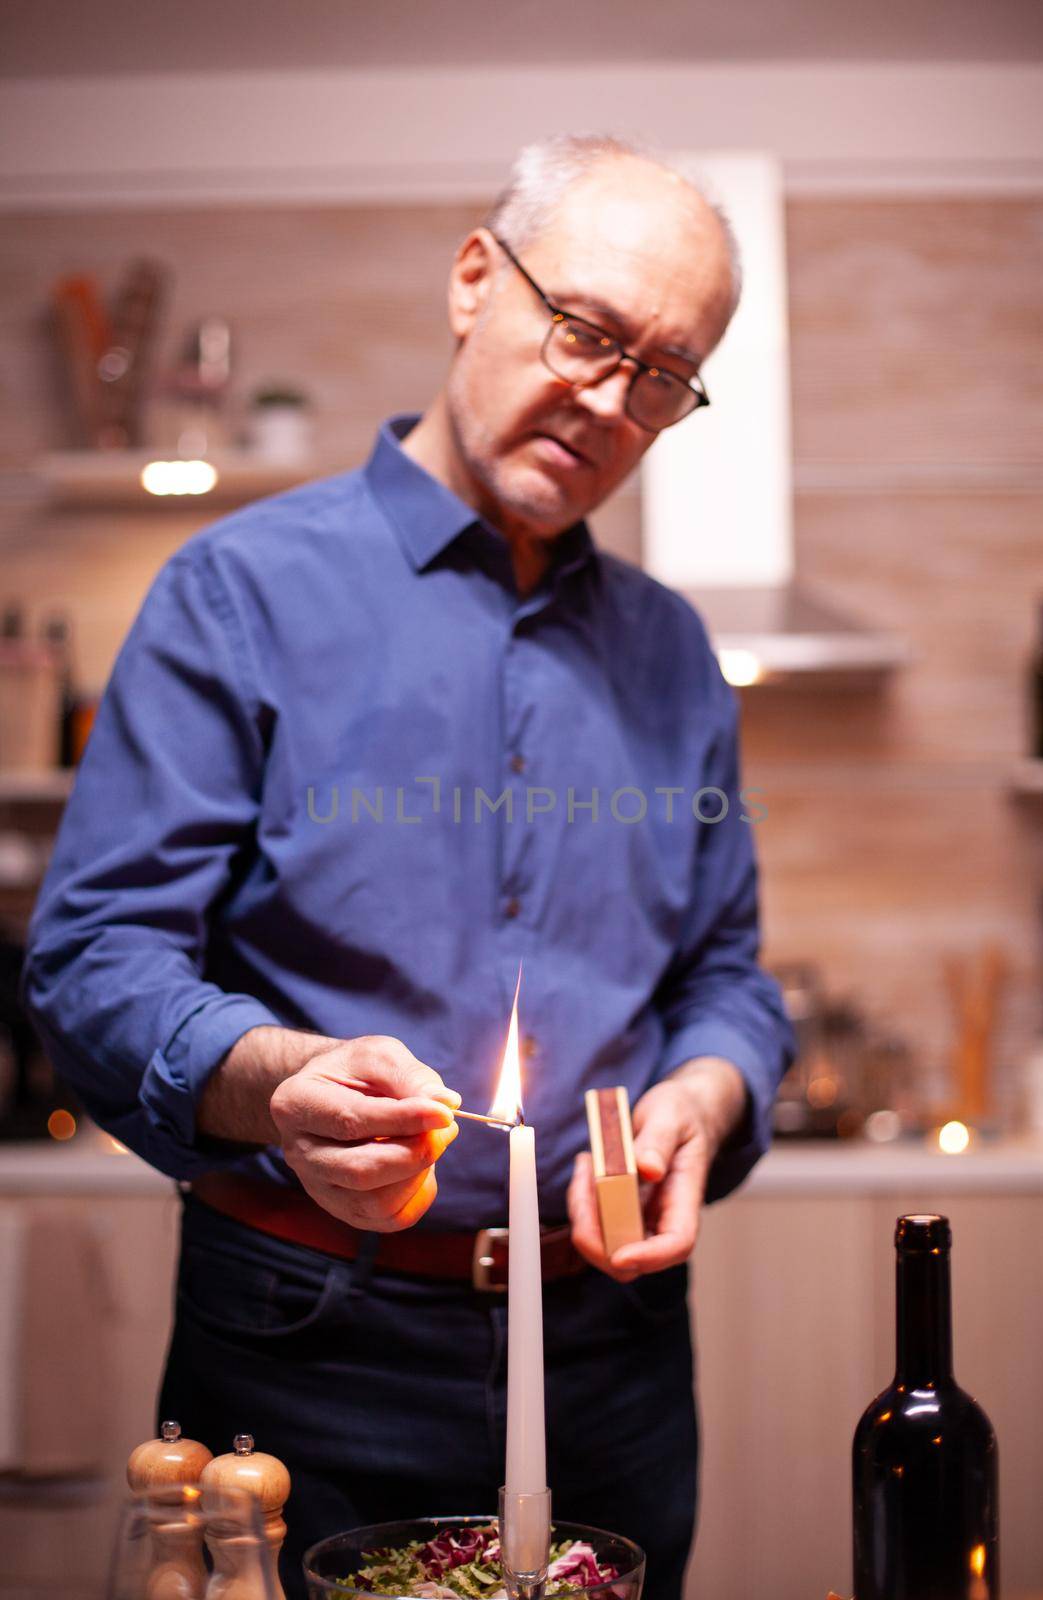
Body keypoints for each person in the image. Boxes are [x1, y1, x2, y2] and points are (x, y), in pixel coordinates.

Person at [22, 133, 793, 1600]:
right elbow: (92, 958)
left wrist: (711, 1088)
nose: (612, 400)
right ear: (470, 281)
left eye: (664, 375)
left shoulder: (675, 656)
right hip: (307, 1338)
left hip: (611, 1352)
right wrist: (273, 1078)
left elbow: (726, 978)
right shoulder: (234, 596)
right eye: (587, 332)